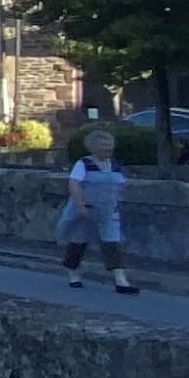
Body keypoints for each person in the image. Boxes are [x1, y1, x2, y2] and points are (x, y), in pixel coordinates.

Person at [57, 125, 138, 294]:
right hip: (85, 208)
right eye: (103, 149)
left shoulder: (115, 166)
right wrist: (80, 205)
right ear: (93, 149)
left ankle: (120, 280)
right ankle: (73, 273)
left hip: (107, 210)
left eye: (109, 149)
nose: (107, 152)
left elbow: (121, 186)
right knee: (78, 241)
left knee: (112, 242)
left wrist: (119, 200)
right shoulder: (84, 164)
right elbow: (74, 184)